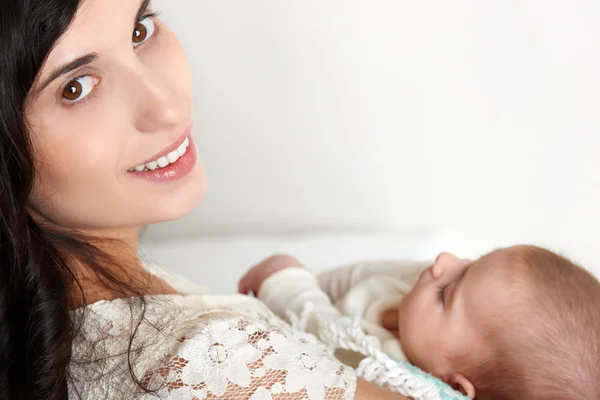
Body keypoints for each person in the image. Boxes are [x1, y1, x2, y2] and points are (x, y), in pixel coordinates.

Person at [0, 1, 413, 399]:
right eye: (76, 87)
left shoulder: (53, 324)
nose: (167, 109)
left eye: (139, 30)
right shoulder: (213, 366)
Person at [239, 246, 600, 399]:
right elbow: (357, 277)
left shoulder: (386, 371)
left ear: (453, 385)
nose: (444, 262)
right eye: (473, 261)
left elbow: (319, 330)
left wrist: (284, 278)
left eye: (447, 293)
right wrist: (312, 280)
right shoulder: (423, 288)